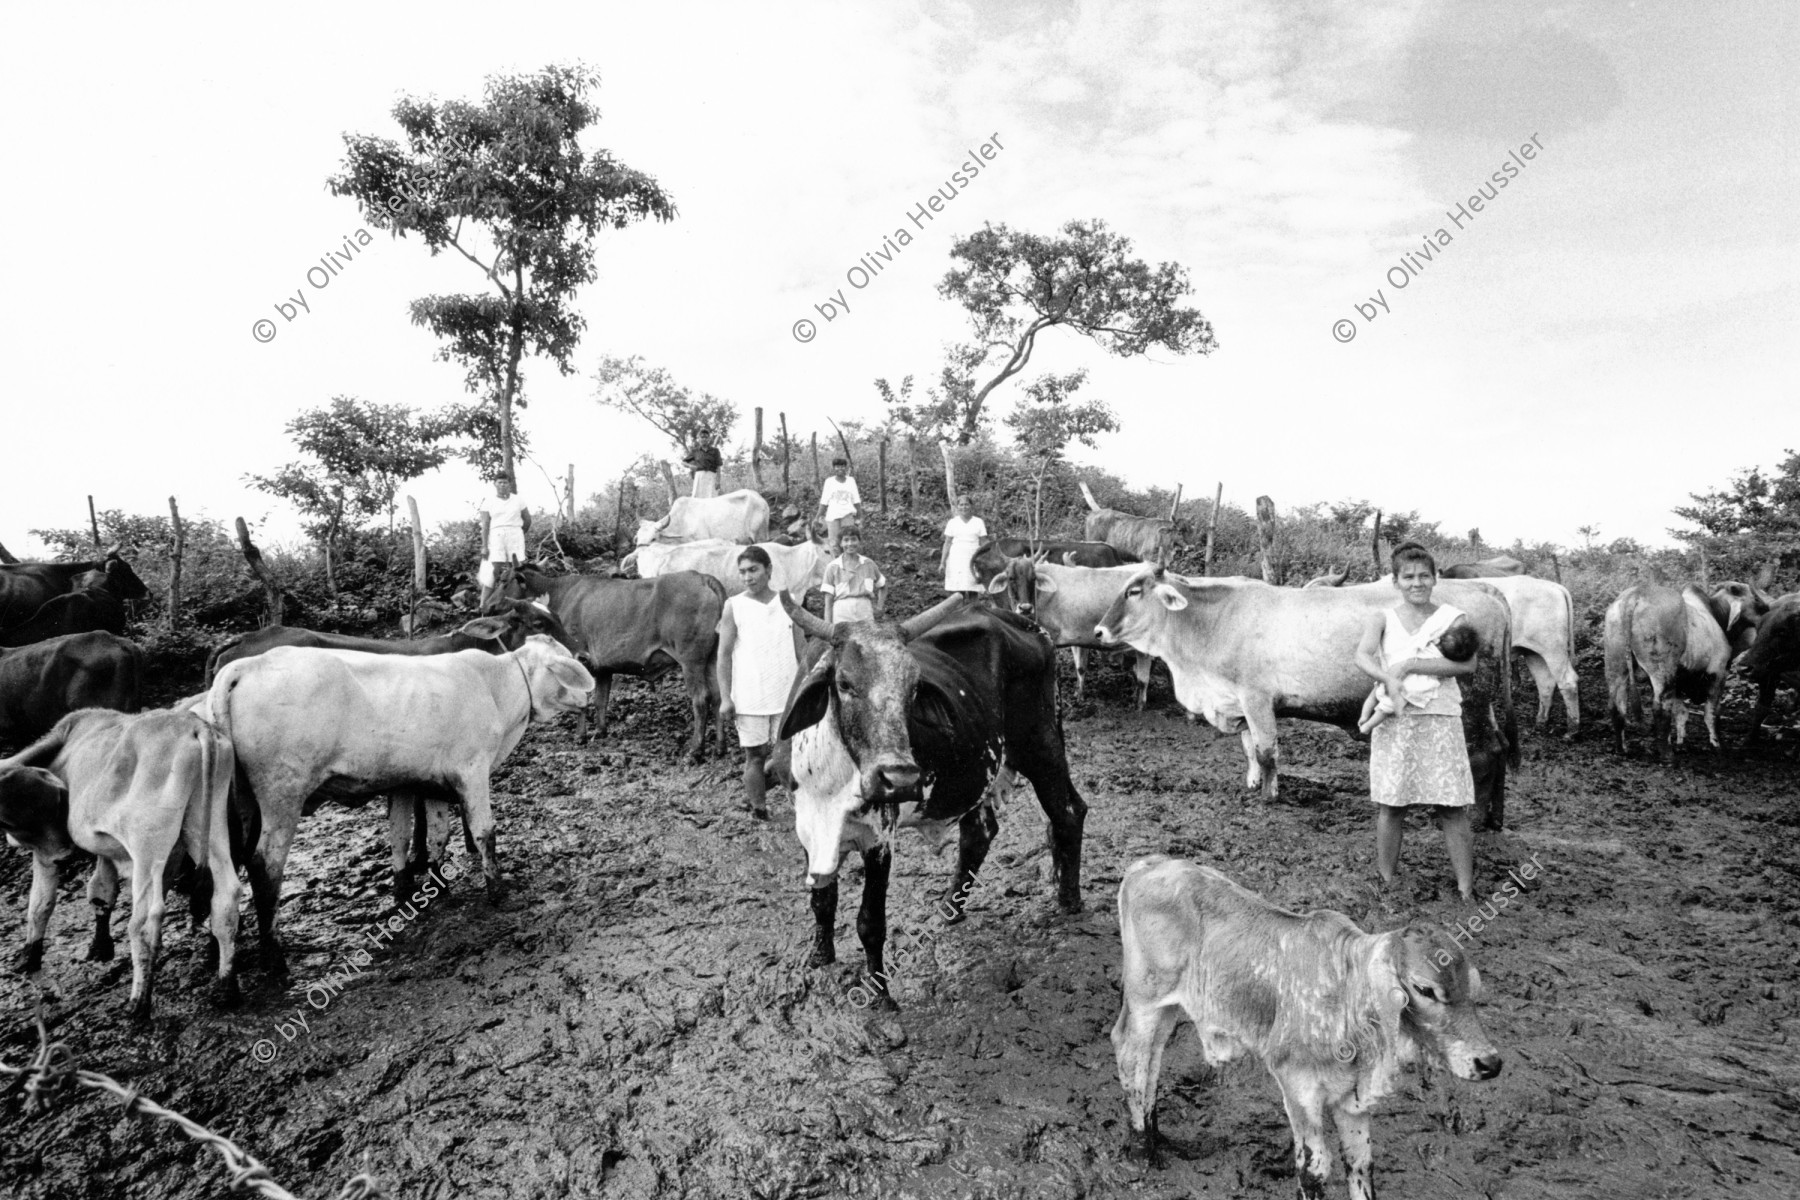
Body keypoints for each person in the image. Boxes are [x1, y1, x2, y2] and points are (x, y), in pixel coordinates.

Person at [1354, 541, 1479, 900]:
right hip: (1398, 722)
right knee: (1392, 803)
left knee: (1452, 805)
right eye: (1408, 577)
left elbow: (1467, 665)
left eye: (1424, 575)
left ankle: (1465, 888)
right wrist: (1386, 678)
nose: (1417, 583)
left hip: (1440, 718)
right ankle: (1386, 880)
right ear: (1395, 581)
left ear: (1436, 578)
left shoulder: (1453, 619)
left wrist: (1409, 665)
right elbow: (1362, 655)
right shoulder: (1382, 618)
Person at [717, 546, 804, 819]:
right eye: (742, 572)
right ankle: (759, 810)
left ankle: (801, 809)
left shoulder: (788, 602)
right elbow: (723, 655)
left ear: (769, 570)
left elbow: (802, 652)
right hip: (750, 695)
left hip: (787, 694)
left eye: (753, 570)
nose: (747, 577)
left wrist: (805, 689)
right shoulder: (734, 606)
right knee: (754, 756)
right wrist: (725, 697)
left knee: (791, 756)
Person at [1358, 621, 1478, 733]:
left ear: (1439, 639)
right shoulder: (1444, 659)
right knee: (1386, 707)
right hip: (1409, 682)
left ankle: (1364, 716)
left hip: (1395, 673)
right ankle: (1368, 725)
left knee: (1375, 693)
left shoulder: (1426, 642)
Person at [477, 477, 531, 610]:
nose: (502, 485)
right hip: (496, 536)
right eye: (499, 482)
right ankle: (482, 605)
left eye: (505, 482)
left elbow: (527, 519)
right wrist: (484, 546)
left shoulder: (518, 499)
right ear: (494, 484)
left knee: (518, 569)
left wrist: (519, 533)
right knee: (493, 570)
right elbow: (485, 525)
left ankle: (522, 602)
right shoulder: (488, 502)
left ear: (509, 484)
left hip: (515, 534)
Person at [820, 526, 886, 624]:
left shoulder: (868, 564)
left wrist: (879, 608)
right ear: (841, 543)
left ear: (859, 541)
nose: (850, 543)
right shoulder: (832, 567)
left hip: (864, 611)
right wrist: (828, 625)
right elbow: (828, 602)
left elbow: (883, 586)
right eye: (846, 540)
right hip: (842, 612)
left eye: (853, 539)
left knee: (867, 638)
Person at [940, 494, 988, 595]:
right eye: (961, 505)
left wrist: (988, 557)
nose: (964, 507)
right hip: (956, 557)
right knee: (957, 589)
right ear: (957, 507)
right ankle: (959, 609)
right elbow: (947, 543)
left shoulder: (978, 522)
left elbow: (984, 542)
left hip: (973, 556)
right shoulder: (952, 522)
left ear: (971, 506)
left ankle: (973, 608)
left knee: (973, 587)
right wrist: (942, 562)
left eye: (966, 504)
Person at [815, 458, 862, 551]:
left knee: (848, 541)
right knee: (834, 543)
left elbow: (856, 499)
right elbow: (824, 501)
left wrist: (859, 517)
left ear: (846, 467)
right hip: (832, 517)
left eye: (842, 466)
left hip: (848, 516)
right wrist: (817, 517)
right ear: (833, 468)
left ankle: (848, 563)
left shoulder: (851, 481)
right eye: (837, 466)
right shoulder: (829, 481)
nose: (840, 468)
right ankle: (836, 563)